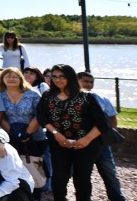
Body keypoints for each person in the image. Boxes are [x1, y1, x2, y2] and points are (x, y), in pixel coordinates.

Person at [36, 64, 110, 201]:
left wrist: (86, 139)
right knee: (59, 177)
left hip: (86, 144)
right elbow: (42, 117)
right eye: (55, 77)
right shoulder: (47, 96)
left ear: (70, 77)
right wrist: (55, 133)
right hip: (59, 143)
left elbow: (102, 123)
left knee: (81, 178)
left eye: (62, 76)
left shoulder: (87, 97)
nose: (58, 80)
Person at [0, 68, 46, 199]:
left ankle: (36, 195)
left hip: (34, 138)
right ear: (2, 79)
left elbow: (40, 115)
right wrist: (12, 133)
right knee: (14, 170)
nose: (11, 78)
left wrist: (27, 133)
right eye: (7, 76)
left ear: (21, 79)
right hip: (11, 138)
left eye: (15, 76)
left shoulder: (33, 94)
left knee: (33, 168)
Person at [78, 72, 125, 201]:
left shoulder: (102, 98)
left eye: (91, 82)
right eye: (85, 81)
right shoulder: (72, 98)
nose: (89, 84)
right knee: (79, 174)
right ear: (76, 81)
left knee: (109, 172)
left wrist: (108, 133)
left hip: (101, 143)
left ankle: (117, 197)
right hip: (80, 142)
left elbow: (112, 118)